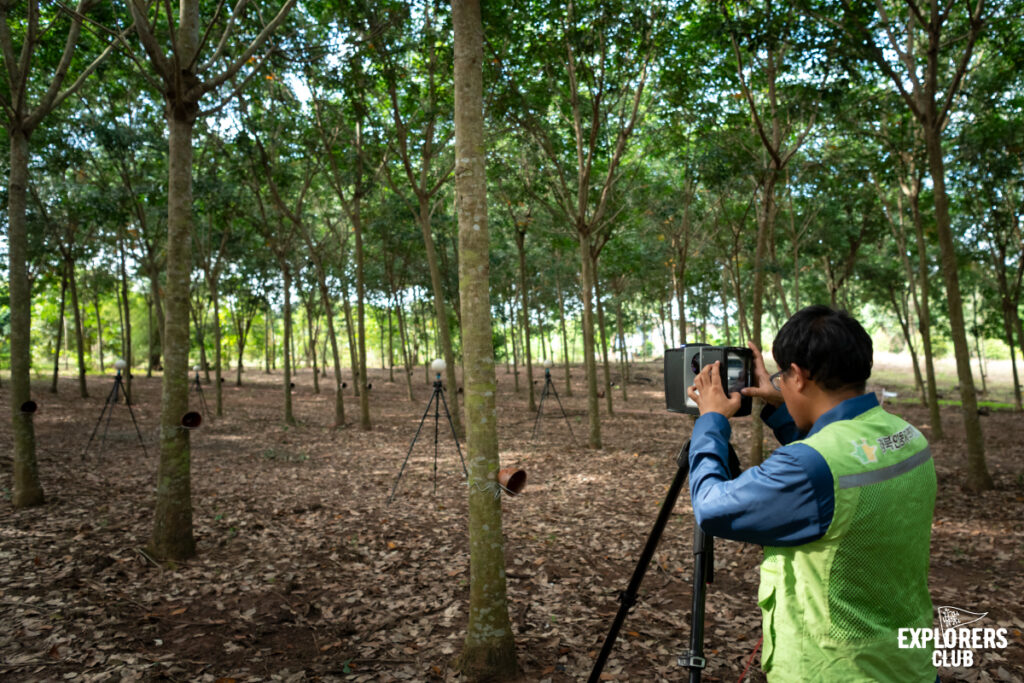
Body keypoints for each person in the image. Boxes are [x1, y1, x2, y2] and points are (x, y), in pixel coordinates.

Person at [686, 305, 937, 682]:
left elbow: (711, 507)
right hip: (907, 664)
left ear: (799, 377)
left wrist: (710, 421)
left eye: (782, 376)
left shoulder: (808, 467)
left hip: (833, 669)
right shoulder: (907, 437)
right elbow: (836, 459)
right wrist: (781, 406)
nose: (780, 383)